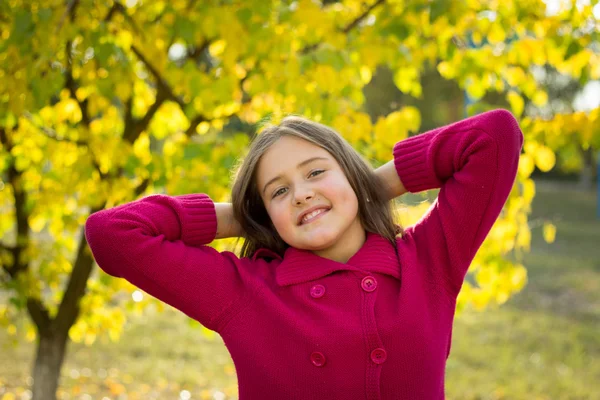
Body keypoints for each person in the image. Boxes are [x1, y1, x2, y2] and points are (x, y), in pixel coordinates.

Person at [85, 109, 523, 399]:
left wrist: (373, 185)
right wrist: (243, 218)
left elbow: (494, 136)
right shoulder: (247, 292)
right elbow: (111, 235)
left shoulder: (427, 261)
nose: (302, 194)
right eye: (279, 191)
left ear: (349, 174)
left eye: (316, 172)